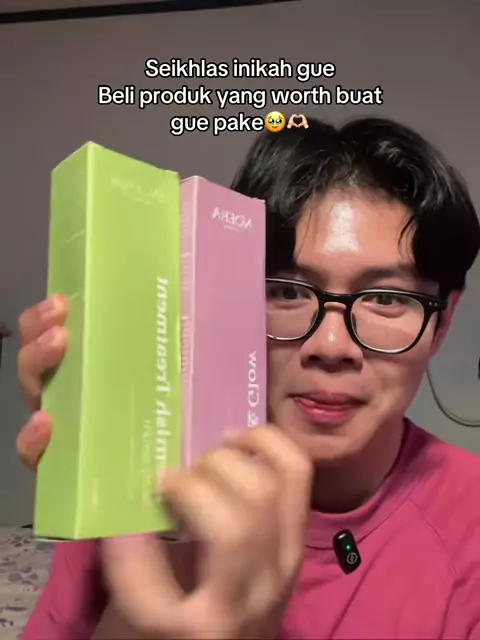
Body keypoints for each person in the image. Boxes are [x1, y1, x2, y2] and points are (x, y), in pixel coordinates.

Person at [17, 116, 480, 639]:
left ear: (441, 323)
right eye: (287, 292)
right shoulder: (146, 473)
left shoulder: (471, 527)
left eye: (387, 299)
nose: (331, 346)